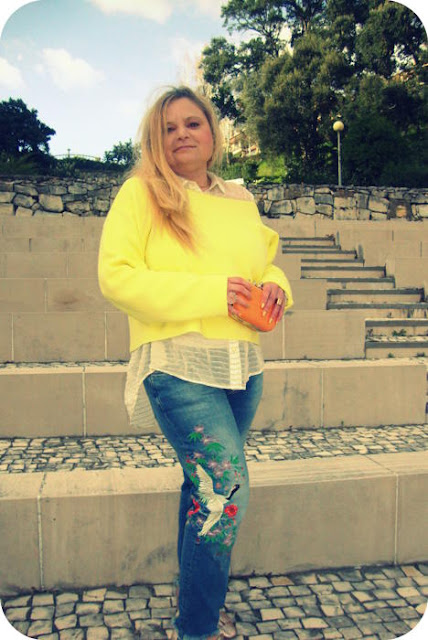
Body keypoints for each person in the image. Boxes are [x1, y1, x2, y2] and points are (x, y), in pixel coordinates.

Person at [98, 86, 293, 640]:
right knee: (226, 492)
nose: (182, 134)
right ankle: (198, 629)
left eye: (193, 123)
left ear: (212, 134)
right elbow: (116, 277)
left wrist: (277, 287)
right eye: (169, 127)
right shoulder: (141, 193)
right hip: (178, 365)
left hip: (241, 367)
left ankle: (192, 609)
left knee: (204, 488)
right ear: (155, 140)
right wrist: (213, 294)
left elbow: (265, 262)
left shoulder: (239, 197)